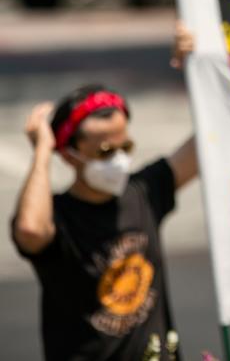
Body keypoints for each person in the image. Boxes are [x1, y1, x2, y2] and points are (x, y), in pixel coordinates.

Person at [10, 24, 198, 361]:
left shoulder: (144, 191)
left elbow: (207, 143)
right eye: (105, 151)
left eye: (125, 146)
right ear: (69, 154)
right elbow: (30, 231)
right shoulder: (59, 217)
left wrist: (197, 67)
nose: (119, 160)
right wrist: (41, 151)